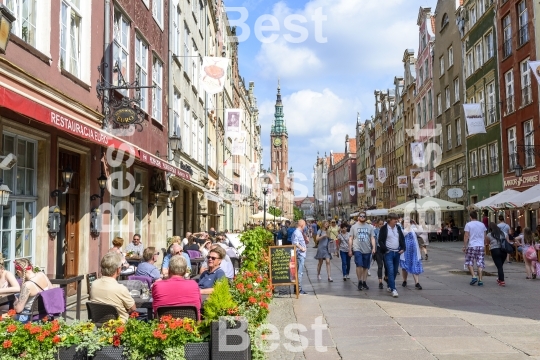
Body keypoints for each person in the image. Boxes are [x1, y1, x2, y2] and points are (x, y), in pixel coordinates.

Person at [90, 253, 136, 322]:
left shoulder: (94, 284)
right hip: (119, 326)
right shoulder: (120, 288)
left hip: (99, 322)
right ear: (118, 270)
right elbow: (133, 309)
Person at [378, 213, 406, 298]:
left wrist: (403, 248)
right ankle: (394, 289)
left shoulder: (398, 227)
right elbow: (380, 241)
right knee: (390, 270)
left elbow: (401, 239)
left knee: (394, 271)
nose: (396, 221)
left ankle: (390, 284)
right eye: (395, 219)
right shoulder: (384, 228)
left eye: (397, 219)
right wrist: (385, 250)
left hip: (397, 252)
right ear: (389, 220)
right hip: (388, 252)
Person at [348, 213, 376, 291]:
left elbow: (372, 238)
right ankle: (359, 280)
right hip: (357, 248)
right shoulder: (354, 227)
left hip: (367, 249)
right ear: (358, 217)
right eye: (361, 216)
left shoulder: (369, 227)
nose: (362, 217)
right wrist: (350, 249)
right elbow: (351, 238)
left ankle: (364, 281)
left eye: (364, 216)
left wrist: (374, 248)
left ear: (366, 218)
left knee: (366, 267)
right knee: (359, 264)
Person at [463, 210, 487, 286]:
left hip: (472, 245)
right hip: (481, 245)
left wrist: (464, 246)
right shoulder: (482, 224)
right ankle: (480, 280)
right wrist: (485, 244)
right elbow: (484, 235)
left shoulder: (468, 224)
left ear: (470, 217)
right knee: (480, 262)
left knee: (469, 261)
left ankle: (474, 276)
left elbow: (466, 235)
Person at [400, 219, 423, 290]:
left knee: (415, 265)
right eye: (405, 223)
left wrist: (415, 223)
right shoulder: (402, 230)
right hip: (405, 252)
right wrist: (407, 228)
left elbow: (420, 231)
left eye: (408, 222)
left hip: (414, 252)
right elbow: (404, 234)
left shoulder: (413, 229)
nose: (407, 224)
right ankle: (404, 280)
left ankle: (417, 282)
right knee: (404, 267)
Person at [486, 222, 509, 286]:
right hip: (504, 251)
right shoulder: (504, 233)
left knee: (499, 266)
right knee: (500, 265)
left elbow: (487, 243)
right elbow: (508, 242)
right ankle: (499, 278)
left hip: (495, 250)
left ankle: (502, 280)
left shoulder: (489, 235)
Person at [291, 220, 308, 294]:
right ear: (302, 225)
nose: (305, 226)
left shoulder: (298, 232)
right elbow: (295, 243)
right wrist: (302, 248)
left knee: (298, 272)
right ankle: (299, 289)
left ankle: (297, 288)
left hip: (300, 254)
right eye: (304, 225)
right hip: (300, 254)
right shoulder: (297, 232)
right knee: (299, 272)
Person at [373, 219, 386, 289]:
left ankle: (386, 277)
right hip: (378, 249)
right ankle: (380, 282)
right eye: (380, 224)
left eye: (382, 224)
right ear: (377, 224)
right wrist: (374, 249)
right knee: (380, 265)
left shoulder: (386, 230)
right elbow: (374, 240)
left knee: (387, 265)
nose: (381, 225)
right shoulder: (375, 231)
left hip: (385, 249)